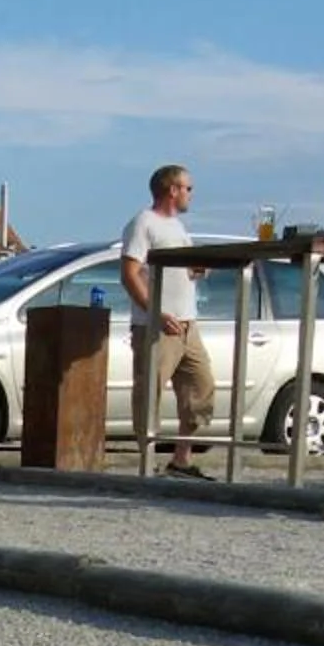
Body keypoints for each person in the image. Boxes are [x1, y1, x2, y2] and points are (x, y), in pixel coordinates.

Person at [121, 163, 215, 478]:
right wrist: (155, 312)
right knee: (150, 393)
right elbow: (130, 274)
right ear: (172, 190)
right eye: (188, 188)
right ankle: (147, 463)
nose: (191, 194)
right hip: (156, 326)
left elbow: (184, 271)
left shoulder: (178, 228)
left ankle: (181, 459)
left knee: (201, 388)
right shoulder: (143, 223)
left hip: (188, 324)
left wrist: (197, 269)